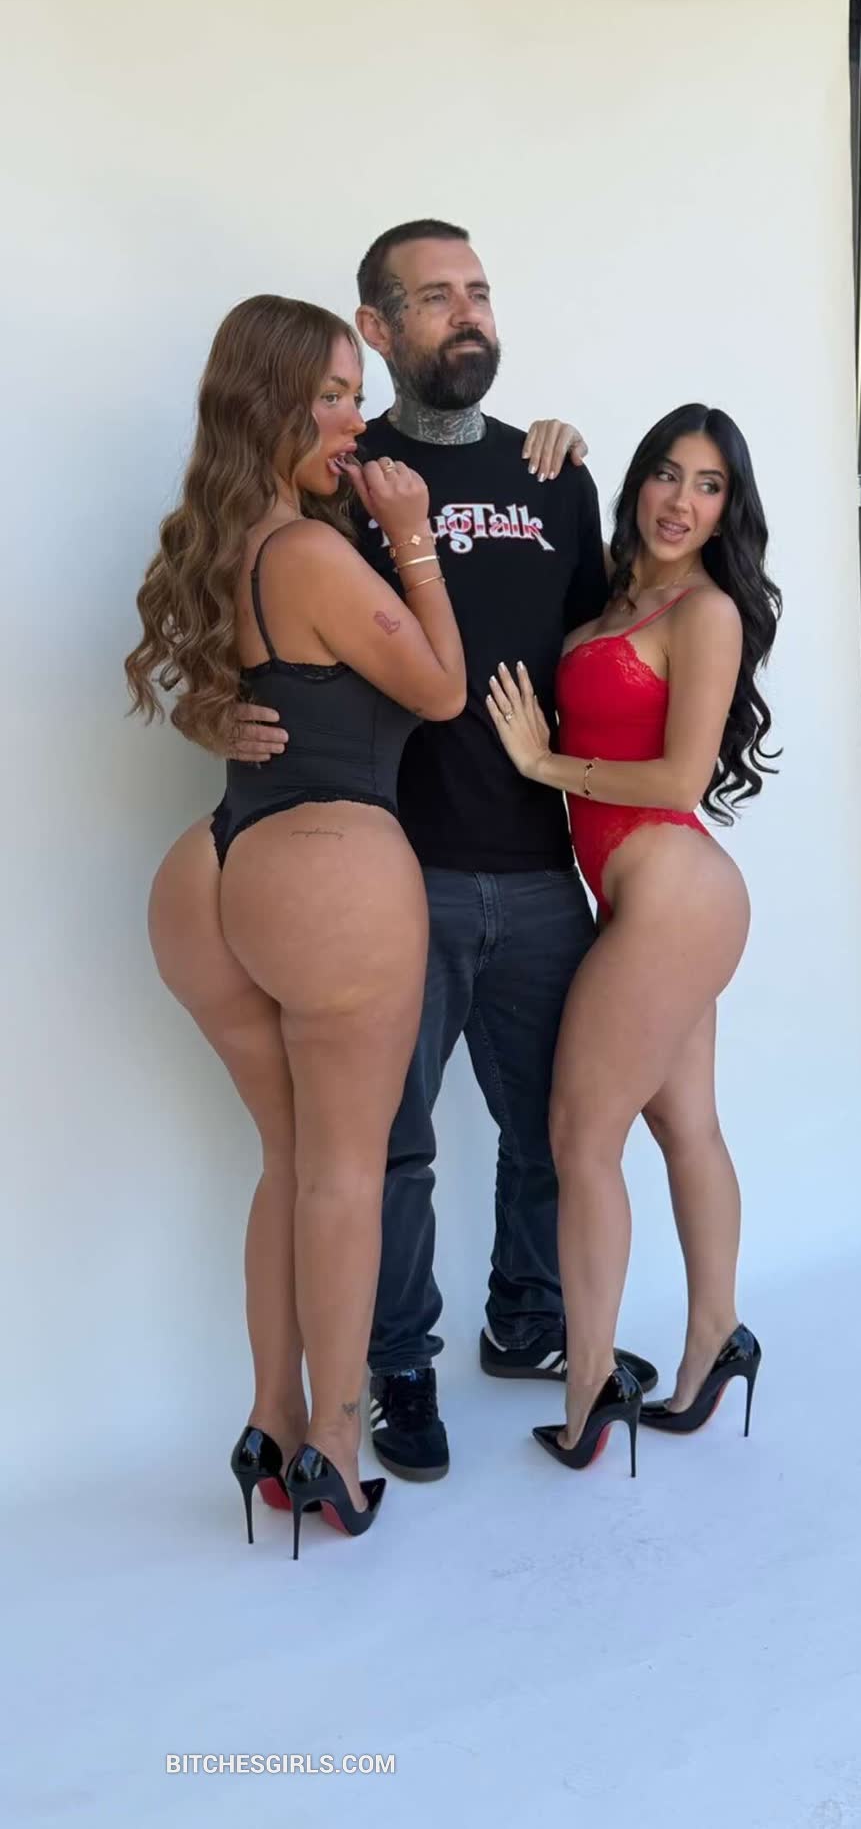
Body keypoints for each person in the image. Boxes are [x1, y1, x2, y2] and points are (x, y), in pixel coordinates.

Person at [230, 221, 657, 1481]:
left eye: (478, 290)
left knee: (560, 1126)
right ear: (375, 328)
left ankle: (528, 1322)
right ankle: (398, 1369)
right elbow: (244, 613)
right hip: (390, 876)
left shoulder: (551, 474)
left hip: (537, 866)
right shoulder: (337, 473)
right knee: (390, 1146)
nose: (466, 312)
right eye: (433, 297)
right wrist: (212, 708)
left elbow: (606, 653)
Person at [124, 294, 467, 1553]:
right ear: (266, 402)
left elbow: (214, 692)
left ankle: (268, 1424)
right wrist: (413, 540)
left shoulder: (221, 543)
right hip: (326, 869)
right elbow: (440, 689)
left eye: (354, 393)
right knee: (344, 1172)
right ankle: (335, 1441)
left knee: (288, 1161)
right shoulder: (316, 556)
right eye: (329, 394)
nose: (353, 418)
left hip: (212, 866)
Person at [486, 403, 781, 1471]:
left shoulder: (706, 612)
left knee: (580, 1139)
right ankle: (716, 1340)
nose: (680, 501)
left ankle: (589, 1383)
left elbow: (678, 779)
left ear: (728, 510)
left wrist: (542, 765)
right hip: (650, 901)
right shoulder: (617, 594)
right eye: (666, 473)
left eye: (708, 486)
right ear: (639, 482)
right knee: (684, 1123)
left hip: (673, 894)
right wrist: (557, 440)